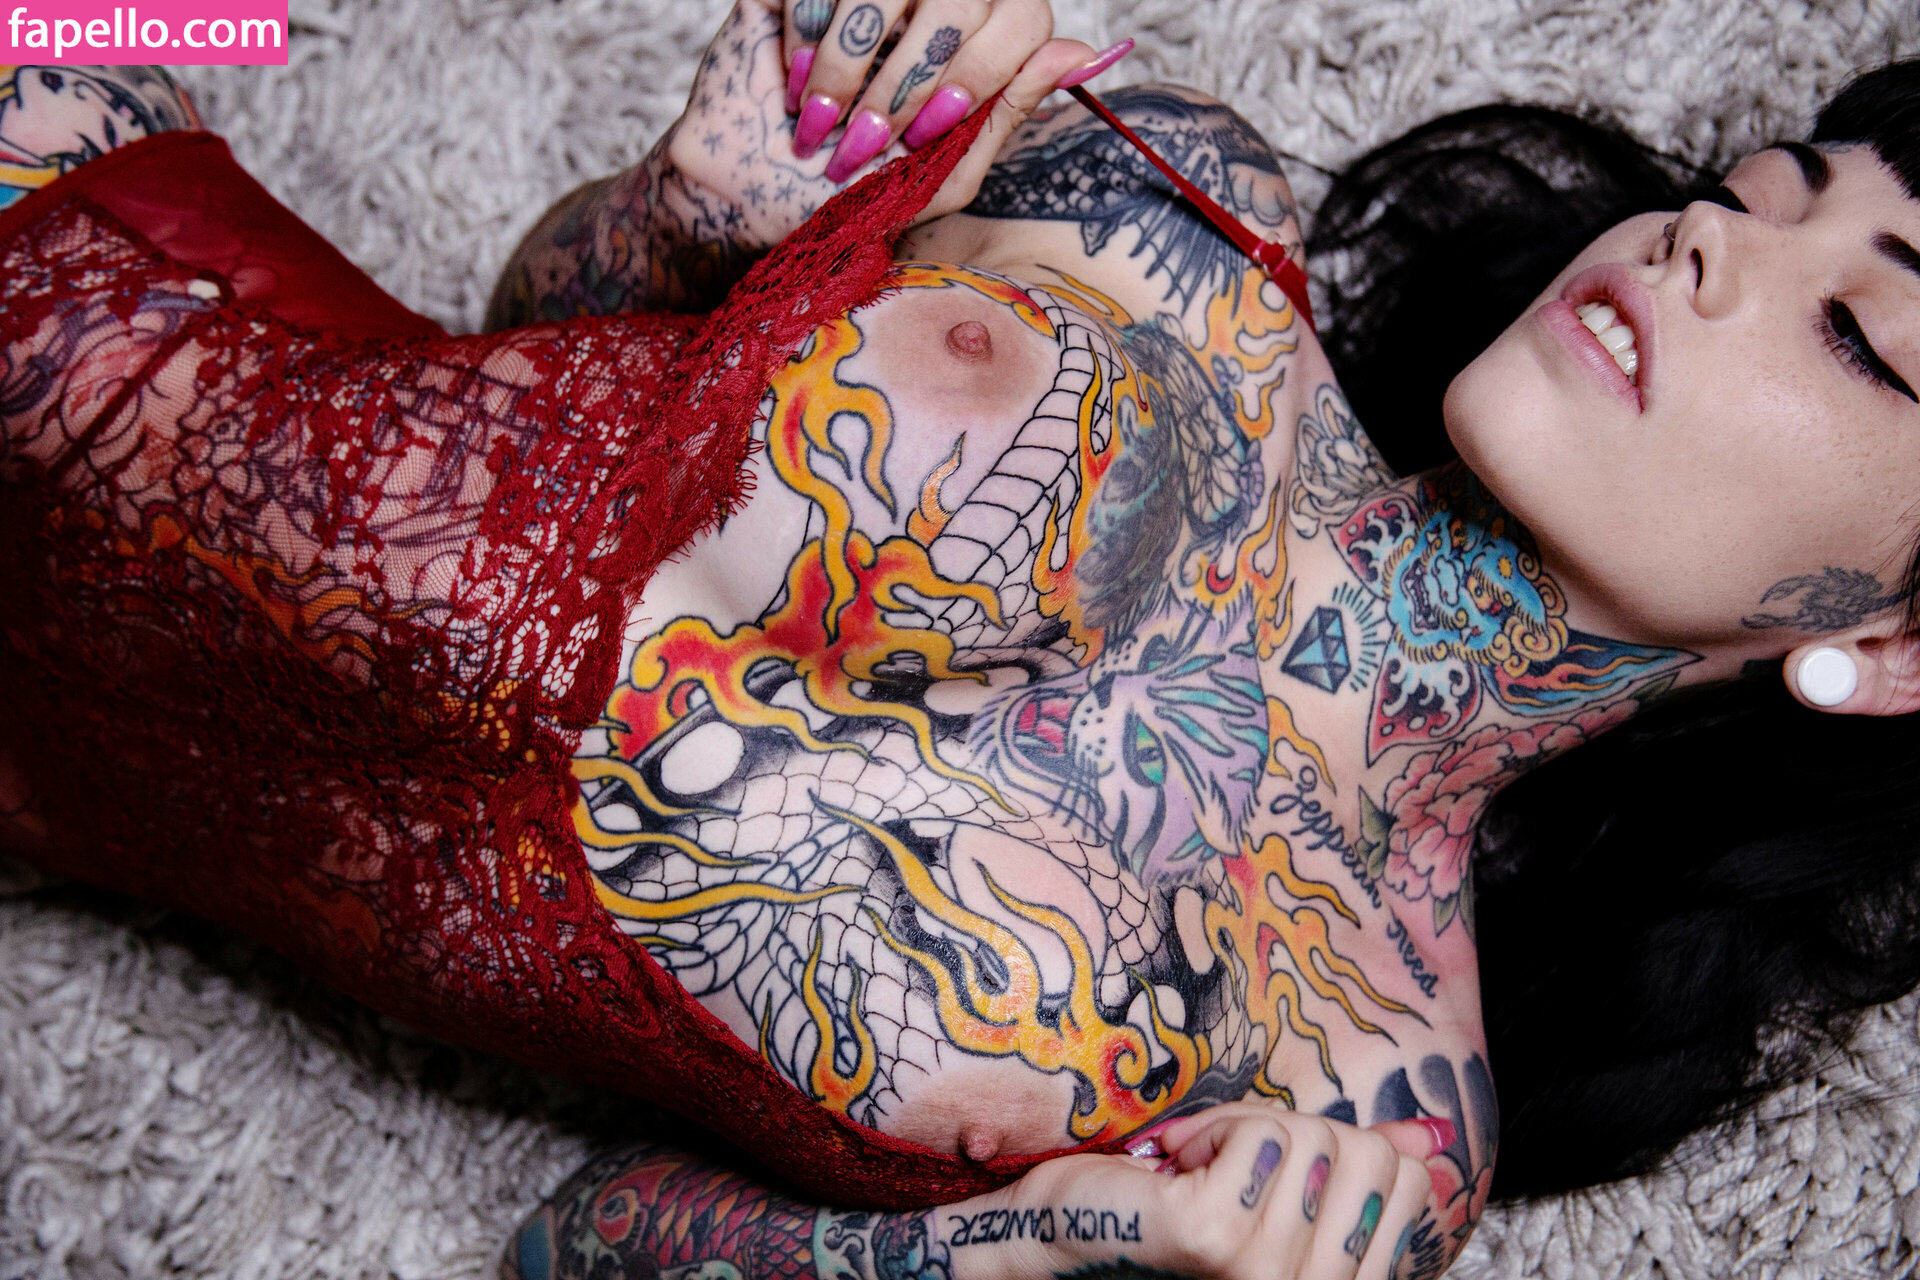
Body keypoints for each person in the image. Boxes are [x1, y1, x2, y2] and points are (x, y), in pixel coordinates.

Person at [2, 5, 1917, 1280]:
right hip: (67, 184)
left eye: (1859, 335)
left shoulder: (1358, 1125)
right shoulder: (1164, 195)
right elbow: (523, 319)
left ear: (1903, 647)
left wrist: (1046, 1243)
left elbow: (576, 1245)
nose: (1708, 246)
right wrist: (691, 210)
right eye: (1757, 195)